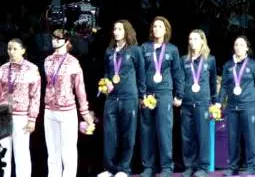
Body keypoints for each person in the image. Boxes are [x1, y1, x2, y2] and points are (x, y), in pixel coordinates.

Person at [97, 19, 146, 177]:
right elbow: (106, 73)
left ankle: (124, 168)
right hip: (111, 99)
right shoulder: (109, 51)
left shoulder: (135, 51)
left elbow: (141, 75)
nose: (116, 31)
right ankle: (109, 168)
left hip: (129, 98)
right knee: (110, 134)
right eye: (114, 29)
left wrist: (141, 96)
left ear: (126, 31)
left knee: (128, 134)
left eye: (119, 29)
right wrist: (105, 83)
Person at [44, 29, 94, 177]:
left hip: (67, 111)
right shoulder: (47, 61)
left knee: (68, 152)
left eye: (58, 38)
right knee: (52, 152)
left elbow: (80, 88)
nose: (54, 40)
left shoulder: (73, 62)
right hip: (50, 110)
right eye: (53, 37)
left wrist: (84, 111)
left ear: (67, 41)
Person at [140, 16, 184, 177]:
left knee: (164, 131)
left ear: (166, 30)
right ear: (152, 30)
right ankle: (148, 167)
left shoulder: (172, 50)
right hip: (147, 93)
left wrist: (179, 95)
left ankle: (166, 167)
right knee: (147, 130)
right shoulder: (144, 48)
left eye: (160, 26)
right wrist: (141, 94)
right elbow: (140, 73)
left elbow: (178, 73)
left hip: (165, 93)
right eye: (155, 26)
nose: (157, 29)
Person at [216, 36, 255, 176]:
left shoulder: (254, 65)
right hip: (231, 107)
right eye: (236, 44)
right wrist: (220, 101)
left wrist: (251, 98)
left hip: (248, 106)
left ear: (247, 48)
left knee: (250, 137)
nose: (238, 47)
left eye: (242, 45)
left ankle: (251, 167)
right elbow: (224, 86)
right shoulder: (228, 65)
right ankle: (233, 166)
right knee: (232, 137)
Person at [0, 38, 41, 177]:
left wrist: (32, 119)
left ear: (23, 50)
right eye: (9, 49)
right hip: (3, 116)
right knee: (3, 153)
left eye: (15, 49)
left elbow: (35, 96)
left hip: (22, 116)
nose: (11, 52)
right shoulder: (3, 68)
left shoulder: (32, 68)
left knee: (21, 153)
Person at [180, 29, 217, 177]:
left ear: (202, 41)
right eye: (190, 39)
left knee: (202, 135)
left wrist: (215, 102)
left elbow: (213, 82)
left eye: (195, 39)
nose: (192, 42)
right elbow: (181, 81)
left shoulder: (210, 59)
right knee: (187, 136)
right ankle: (189, 166)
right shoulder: (184, 60)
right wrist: (179, 96)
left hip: (203, 102)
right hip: (187, 103)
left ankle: (203, 166)